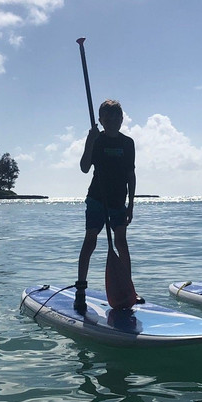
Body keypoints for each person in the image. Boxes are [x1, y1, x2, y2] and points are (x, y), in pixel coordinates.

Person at [74, 99, 137, 314]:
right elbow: (84, 167)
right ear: (100, 121)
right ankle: (80, 290)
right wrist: (90, 141)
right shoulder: (97, 140)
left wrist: (131, 205)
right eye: (107, 119)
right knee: (90, 241)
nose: (112, 122)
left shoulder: (128, 143)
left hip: (119, 201)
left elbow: (130, 175)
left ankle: (128, 289)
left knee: (121, 243)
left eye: (116, 118)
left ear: (122, 119)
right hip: (97, 199)